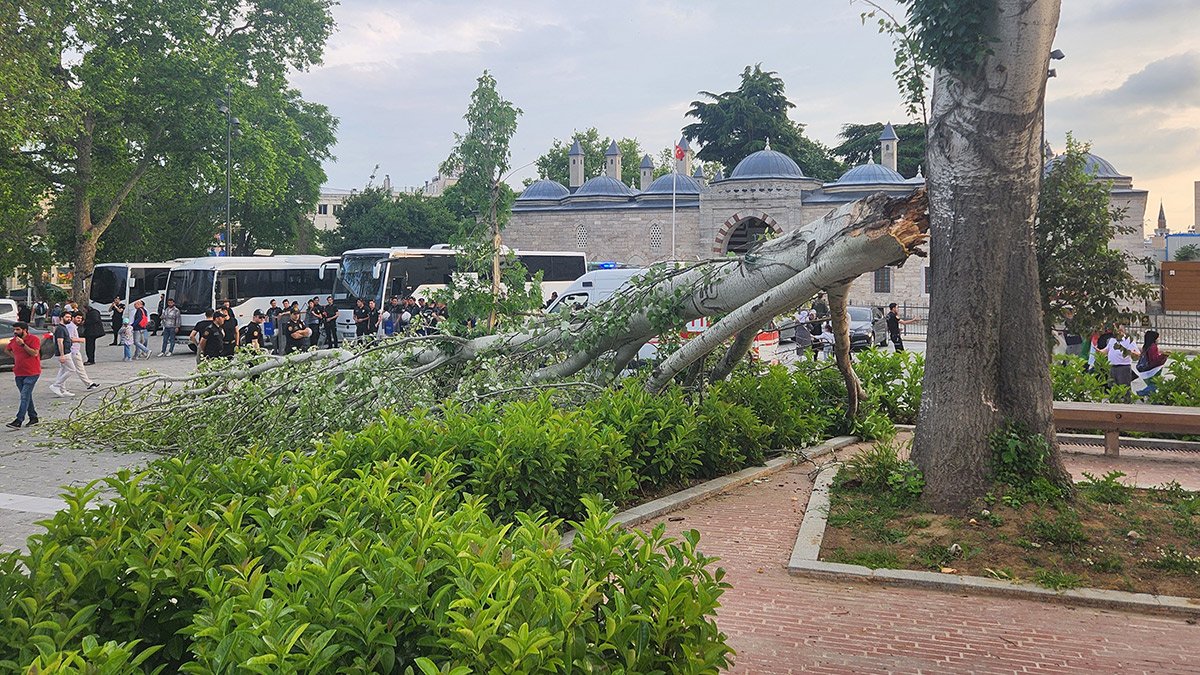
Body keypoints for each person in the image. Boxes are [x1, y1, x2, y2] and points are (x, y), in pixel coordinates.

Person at [6, 322, 41, 429]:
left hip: (32, 372)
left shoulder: (33, 339)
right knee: (27, 396)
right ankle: (33, 417)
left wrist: (23, 345)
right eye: (14, 330)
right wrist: (16, 357)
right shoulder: (13, 341)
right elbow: (7, 350)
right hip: (18, 372)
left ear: (25, 330)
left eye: (18, 330)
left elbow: (34, 353)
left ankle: (19, 420)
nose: (15, 332)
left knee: (24, 396)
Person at [1099, 325, 1140, 402]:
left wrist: (1130, 352)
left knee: (1124, 388)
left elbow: (1137, 353)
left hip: (1123, 367)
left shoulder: (1128, 340)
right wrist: (1100, 351)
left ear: (1124, 331)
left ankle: (1127, 404)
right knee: (1113, 388)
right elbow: (1106, 350)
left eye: (1120, 330)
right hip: (1112, 367)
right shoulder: (1112, 340)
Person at [49, 311, 78, 397]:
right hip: (64, 353)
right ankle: (56, 385)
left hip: (66, 351)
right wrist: (62, 355)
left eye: (70, 317)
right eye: (67, 317)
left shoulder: (63, 327)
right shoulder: (60, 329)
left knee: (63, 370)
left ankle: (62, 389)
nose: (69, 319)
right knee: (72, 369)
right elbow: (60, 342)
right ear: (62, 318)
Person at [68, 312, 99, 390]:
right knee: (78, 368)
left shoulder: (73, 326)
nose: (79, 320)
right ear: (73, 318)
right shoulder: (71, 327)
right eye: (78, 318)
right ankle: (89, 383)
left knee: (66, 370)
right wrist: (81, 340)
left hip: (74, 350)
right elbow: (69, 339)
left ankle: (58, 384)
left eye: (81, 318)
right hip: (73, 350)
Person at [1135, 330, 1168, 397]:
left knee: (1151, 384)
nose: (1158, 339)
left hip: (1146, 369)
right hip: (1153, 370)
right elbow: (1155, 360)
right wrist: (1164, 355)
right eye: (1157, 337)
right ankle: (1141, 393)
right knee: (1155, 385)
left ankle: (1152, 398)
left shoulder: (1146, 346)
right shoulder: (1153, 347)